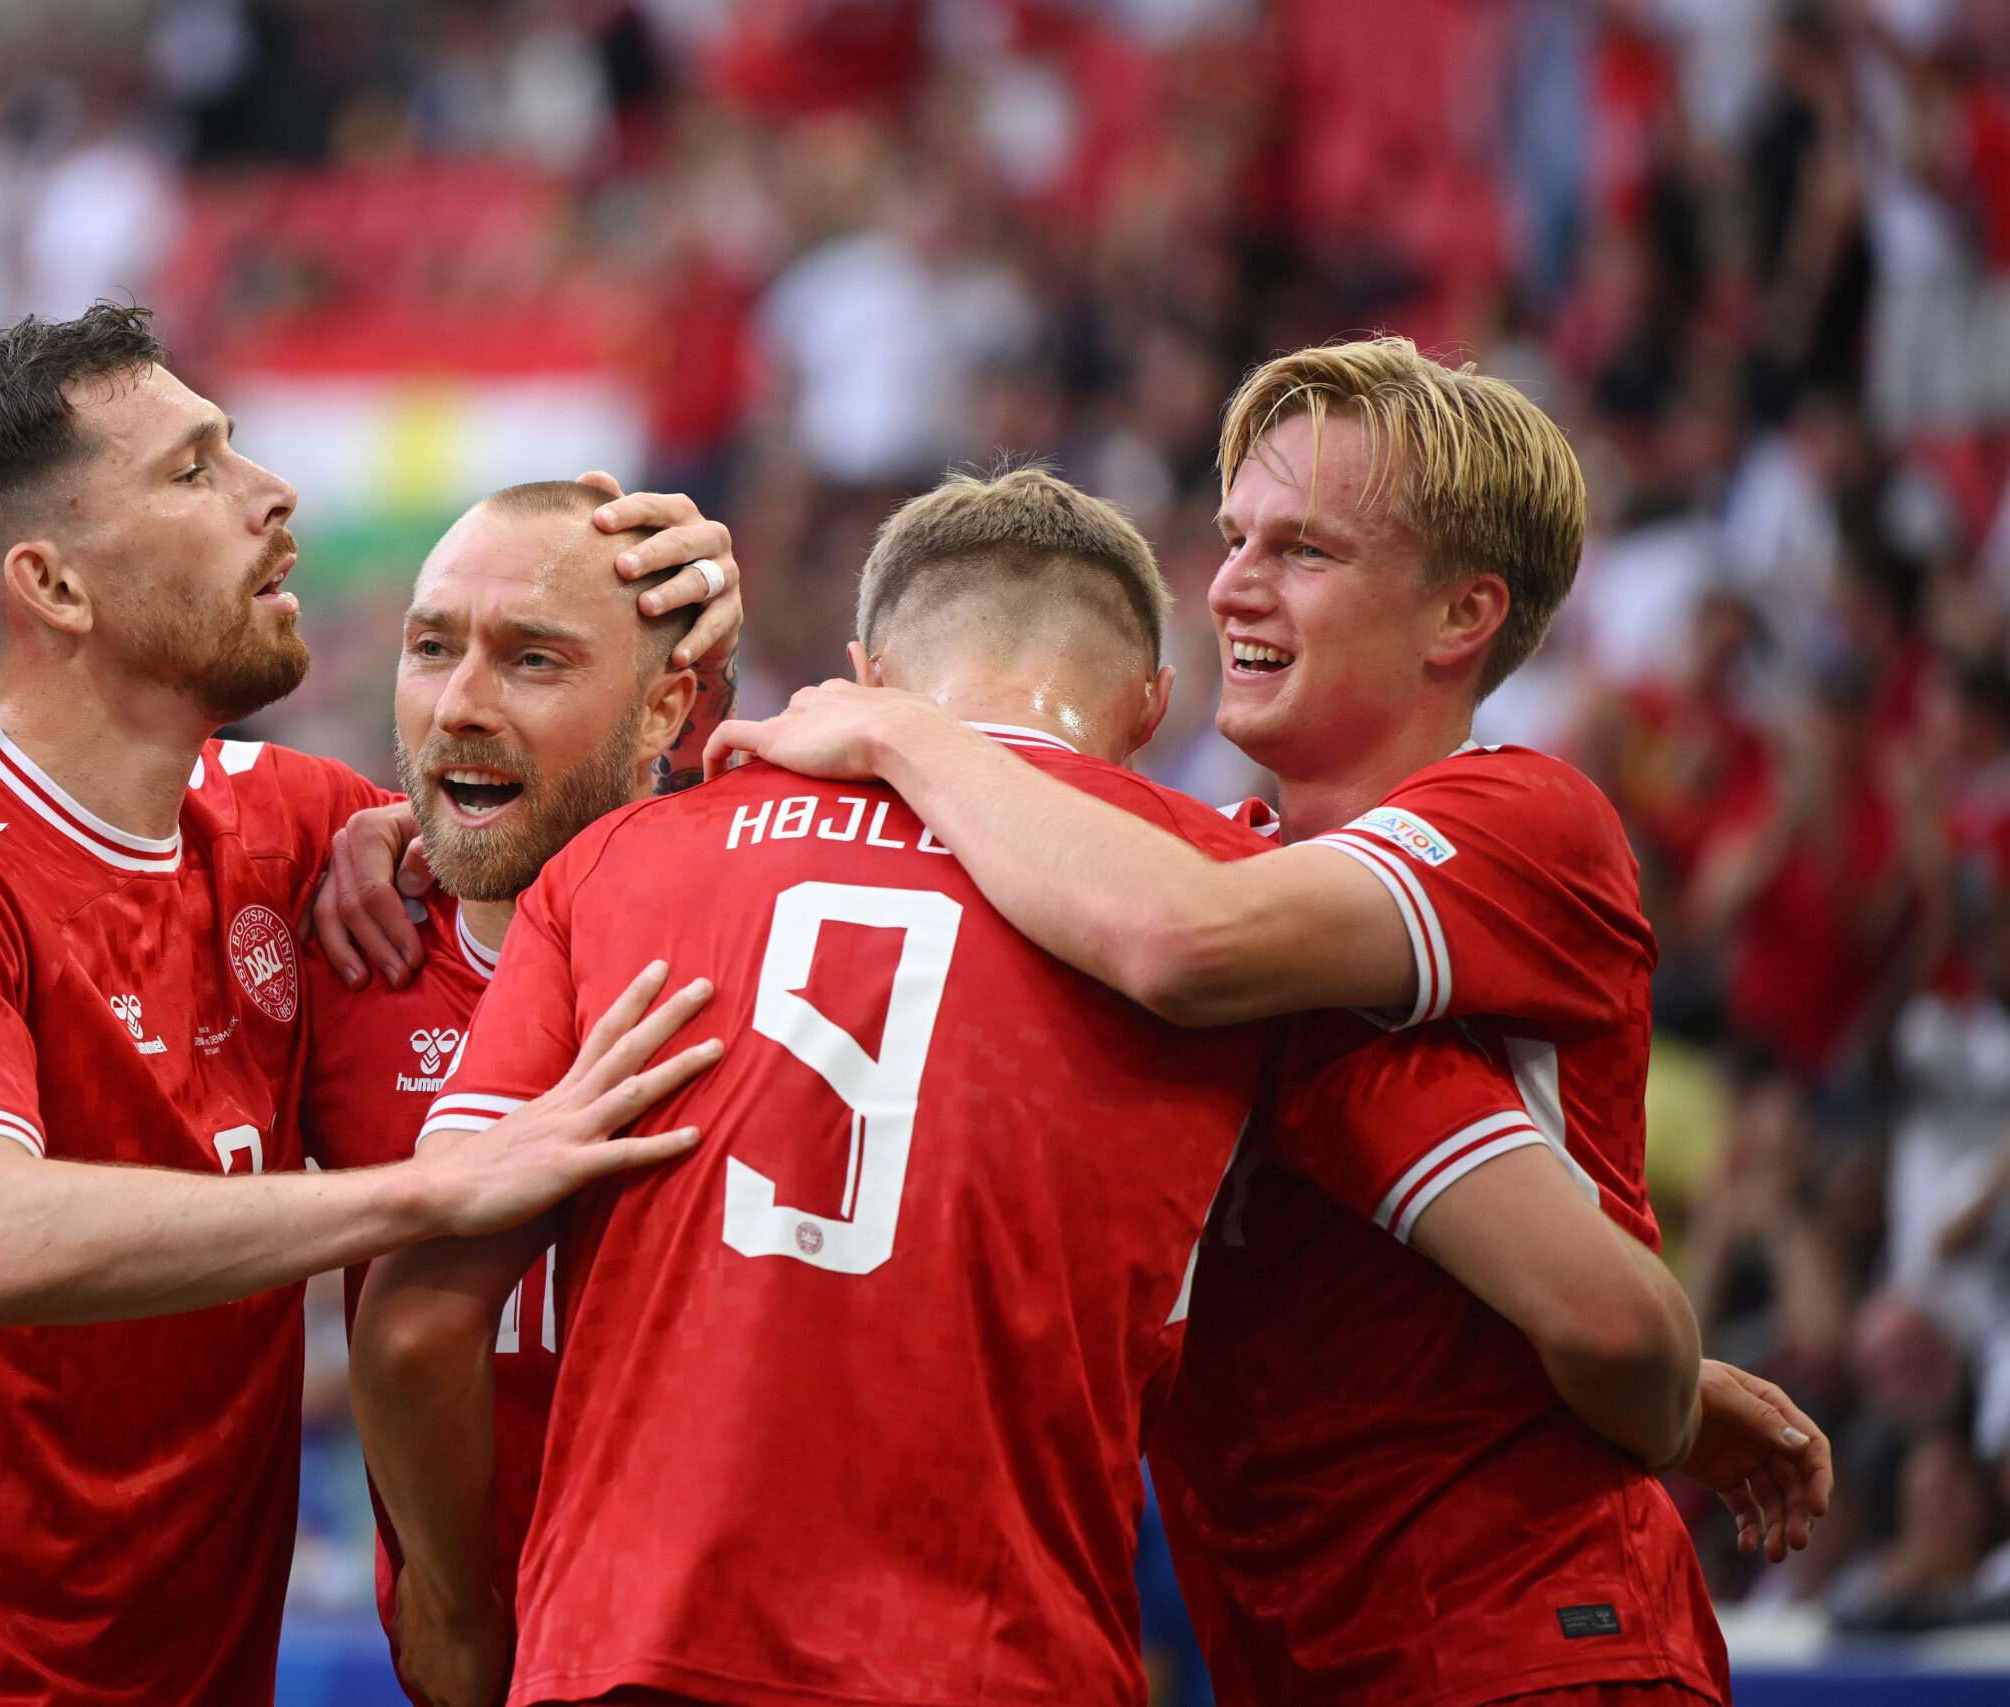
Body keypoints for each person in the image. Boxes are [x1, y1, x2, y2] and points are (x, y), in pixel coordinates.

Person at [708, 338, 1830, 1704]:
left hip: (1520, 1651)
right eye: (1235, 535)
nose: (1233, 582)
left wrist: (904, 731)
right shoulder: (1205, 862)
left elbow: (1191, 943)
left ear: (1461, 614)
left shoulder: (1522, 818)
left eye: (1304, 550)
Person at [348, 470, 1573, 1707]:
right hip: (1000, 1659)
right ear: (1151, 705)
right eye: (432, 646)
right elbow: (1591, 1304)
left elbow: (413, 1320)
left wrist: (457, 1621)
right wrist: (1664, 1397)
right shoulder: (1234, 896)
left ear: (865, 675)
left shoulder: (617, 863)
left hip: (627, 1652)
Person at [0, 306, 731, 1705]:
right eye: (193, 469)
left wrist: (684, 643)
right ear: (54, 585)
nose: (270, 492)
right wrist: (433, 1190)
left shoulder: (289, 826)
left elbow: (559, 819)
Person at [295, 478, 707, 1688]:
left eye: (532, 659)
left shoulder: (757, 949)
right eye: (432, 648)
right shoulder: (328, 949)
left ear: (664, 708)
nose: (461, 705)